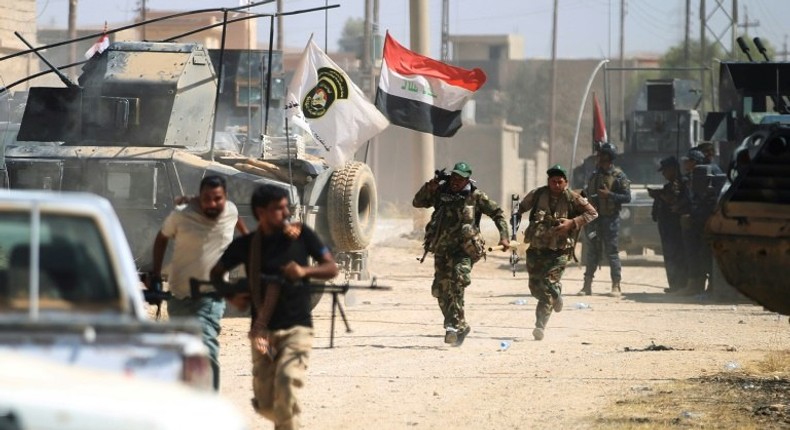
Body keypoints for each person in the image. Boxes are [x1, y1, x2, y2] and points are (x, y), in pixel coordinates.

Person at [210, 184, 338, 430]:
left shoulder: (301, 236)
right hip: (263, 333)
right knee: (266, 404)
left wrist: (304, 271)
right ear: (261, 212)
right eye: (278, 209)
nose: (286, 213)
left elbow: (331, 268)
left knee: (287, 381)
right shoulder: (247, 245)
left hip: (297, 328)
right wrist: (231, 296)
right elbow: (216, 274)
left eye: (286, 207)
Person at [149, 175, 247, 391]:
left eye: (217, 199)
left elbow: (241, 225)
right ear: (199, 199)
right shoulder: (181, 215)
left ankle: (208, 407)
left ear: (226, 198)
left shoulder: (230, 210)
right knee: (184, 351)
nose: (212, 204)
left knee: (206, 344)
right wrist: (155, 273)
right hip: (179, 295)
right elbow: (162, 237)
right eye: (206, 199)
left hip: (211, 295)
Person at [413, 161, 510, 346]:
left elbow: (497, 213)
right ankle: (461, 325)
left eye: (460, 178)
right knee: (439, 290)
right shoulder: (441, 193)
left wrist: (504, 237)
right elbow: (418, 202)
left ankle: (452, 325)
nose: (456, 182)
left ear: (467, 179)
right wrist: (429, 187)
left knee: (458, 280)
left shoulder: (475, 196)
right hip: (442, 249)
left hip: (465, 250)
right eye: (454, 177)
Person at [515, 164, 597, 340]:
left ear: (566, 182)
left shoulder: (573, 198)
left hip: (559, 250)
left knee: (548, 284)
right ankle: (556, 295)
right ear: (548, 182)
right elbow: (519, 208)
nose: (556, 185)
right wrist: (515, 217)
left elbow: (592, 213)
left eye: (560, 181)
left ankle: (540, 324)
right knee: (535, 287)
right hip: (536, 248)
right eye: (553, 181)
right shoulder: (537, 195)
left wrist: (572, 222)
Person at [579, 143, 631, 296]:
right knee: (592, 251)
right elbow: (587, 193)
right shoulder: (595, 174)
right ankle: (587, 285)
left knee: (612, 252)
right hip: (594, 220)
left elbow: (627, 197)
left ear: (608, 157)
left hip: (610, 219)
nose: (599, 158)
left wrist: (609, 195)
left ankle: (616, 285)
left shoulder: (619, 176)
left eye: (601, 156)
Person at [648, 156, 689, 293]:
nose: (664, 174)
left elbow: (683, 202)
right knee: (669, 255)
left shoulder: (684, 184)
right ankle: (674, 284)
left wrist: (666, 198)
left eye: (665, 171)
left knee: (678, 255)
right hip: (665, 226)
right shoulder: (667, 186)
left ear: (673, 169)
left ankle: (682, 284)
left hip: (676, 226)